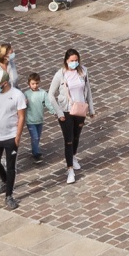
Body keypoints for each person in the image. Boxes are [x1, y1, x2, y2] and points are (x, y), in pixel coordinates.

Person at [0, 68, 27, 210]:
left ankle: (9, 195)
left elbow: (21, 116)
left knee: (11, 166)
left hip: (10, 137)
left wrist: (17, 137)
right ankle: (4, 180)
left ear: (5, 82)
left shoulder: (17, 95)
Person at [51, 47, 93, 184]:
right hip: (66, 111)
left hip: (80, 108)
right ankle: (70, 170)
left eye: (76, 60)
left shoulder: (83, 71)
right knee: (68, 140)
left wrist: (91, 109)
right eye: (72, 61)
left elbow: (88, 91)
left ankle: (74, 157)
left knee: (76, 136)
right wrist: (59, 112)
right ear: (66, 61)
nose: (74, 63)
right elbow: (50, 95)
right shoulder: (60, 75)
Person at [22, 72, 53, 165]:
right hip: (30, 120)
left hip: (39, 119)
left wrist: (54, 112)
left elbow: (48, 104)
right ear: (29, 84)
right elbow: (22, 106)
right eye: (33, 84)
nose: (35, 85)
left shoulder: (43, 93)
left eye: (37, 83)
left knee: (37, 137)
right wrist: (24, 103)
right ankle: (36, 153)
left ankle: (34, 149)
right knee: (34, 137)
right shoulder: (26, 94)